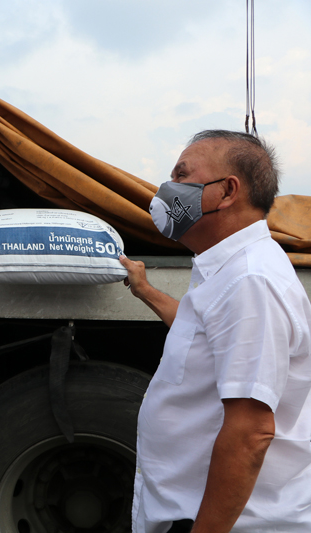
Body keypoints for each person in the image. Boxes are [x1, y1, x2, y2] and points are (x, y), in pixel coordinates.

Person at [120, 130, 311, 533]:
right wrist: (146, 291)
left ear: (227, 191)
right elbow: (203, 336)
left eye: (182, 175)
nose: (167, 189)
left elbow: (251, 432)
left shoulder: (250, 281)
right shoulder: (228, 269)